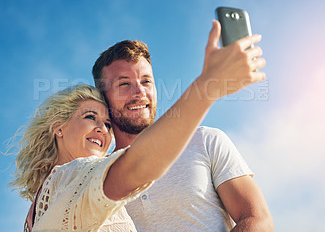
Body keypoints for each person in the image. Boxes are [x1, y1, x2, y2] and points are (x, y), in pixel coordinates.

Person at [92, 20, 274, 231]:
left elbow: (258, 220)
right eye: (124, 84)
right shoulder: (97, 175)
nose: (140, 92)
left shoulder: (206, 141)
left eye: (146, 81)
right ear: (102, 98)